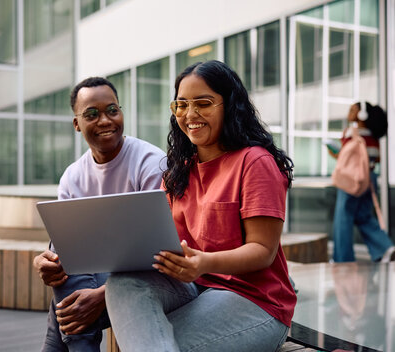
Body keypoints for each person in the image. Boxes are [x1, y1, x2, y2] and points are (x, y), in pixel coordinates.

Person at [104, 60, 297, 352]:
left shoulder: (255, 162)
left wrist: (203, 262)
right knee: (123, 283)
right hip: (194, 287)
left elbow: (263, 252)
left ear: (230, 105)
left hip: (254, 301)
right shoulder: (178, 172)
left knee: (152, 343)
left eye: (203, 103)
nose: (190, 114)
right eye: (181, 105)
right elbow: (159, 243)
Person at [33, 77, 166, 351]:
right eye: (92, 114)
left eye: (112, 110)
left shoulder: (150, 163)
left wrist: (104, 295)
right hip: (89, 278)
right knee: (63, 264)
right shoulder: (72, 177)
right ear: (76, 124)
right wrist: (47, 263)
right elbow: (67, 250)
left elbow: (161, 252)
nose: (105, 120)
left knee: (63, 315)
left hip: (153, 279)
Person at [330, 101, 394, 263]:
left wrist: (334, 152)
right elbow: (375, 158)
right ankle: (385, 248)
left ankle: (342, 259)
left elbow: (343, 157)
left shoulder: (352, 132)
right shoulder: (373, 137)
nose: (349, 113)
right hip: (369, 179)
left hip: (351, 180)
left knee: (343, 218)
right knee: (363, 215)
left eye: (353, 110)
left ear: (362, 114)